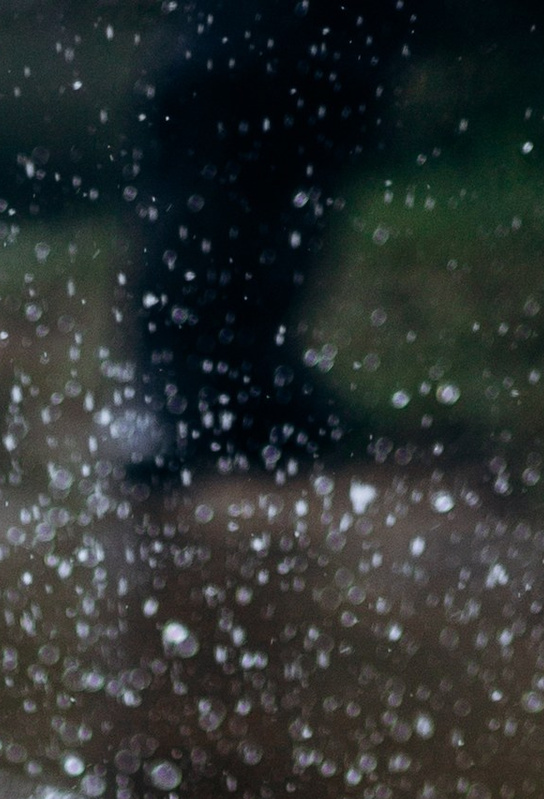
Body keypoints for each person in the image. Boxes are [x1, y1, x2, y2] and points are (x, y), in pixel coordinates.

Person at [114, 0, 431, 487]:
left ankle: (250, 387)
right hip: (240, 56)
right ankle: (182, 400)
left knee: (283, 216)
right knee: (207, 215)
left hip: (311, 51)